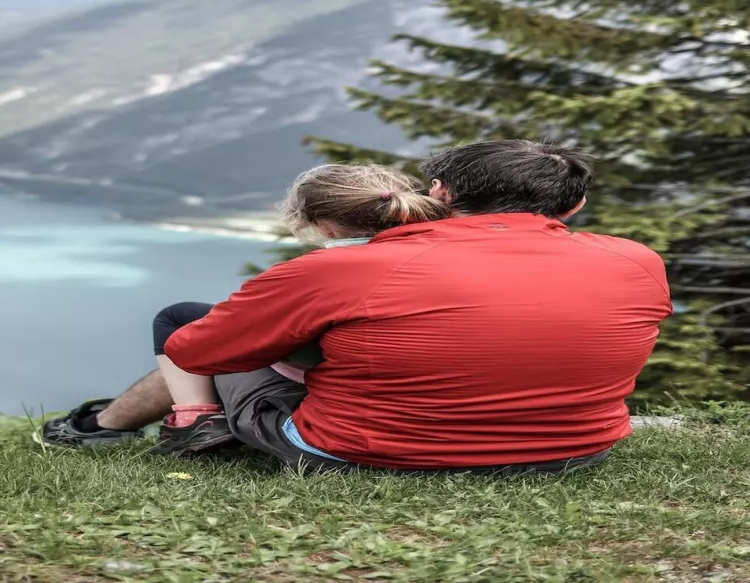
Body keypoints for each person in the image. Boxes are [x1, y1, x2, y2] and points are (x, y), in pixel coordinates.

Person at [39, 141, 673, 474]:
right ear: (573, 207)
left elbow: (197, 350)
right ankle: (103, 425)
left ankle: (112, 427)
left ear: (440, 193)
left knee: (189, 322)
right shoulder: (638, 261)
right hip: (575, 453)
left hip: (365, 451)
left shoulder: (345, 268)